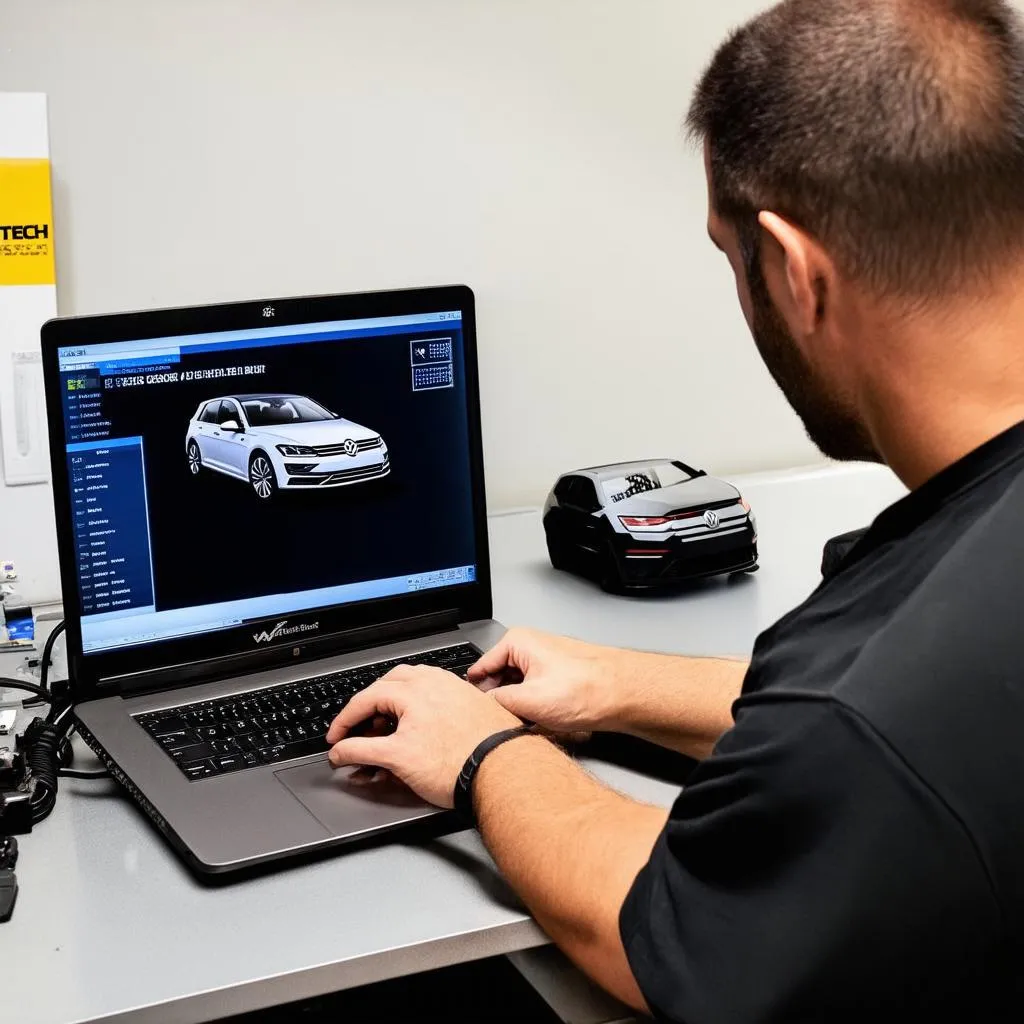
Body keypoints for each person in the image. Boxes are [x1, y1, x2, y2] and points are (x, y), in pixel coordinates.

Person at [327, 0, 1024, 1018]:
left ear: (791, 272)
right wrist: (621, 683)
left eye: (728, 258)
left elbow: (665, 925)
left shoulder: (872, 721)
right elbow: (930, 726)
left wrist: (480, 752)